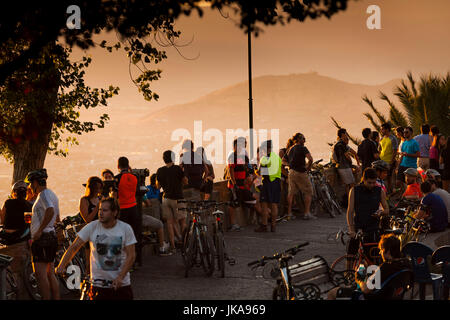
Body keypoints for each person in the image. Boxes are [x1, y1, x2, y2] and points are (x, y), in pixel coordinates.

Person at [56, 198, 136, 300]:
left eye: (105, 210)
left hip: (121, 285)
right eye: (99, 210)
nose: (101, 213)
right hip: (98, 285)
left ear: (114, 212)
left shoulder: (125, 229)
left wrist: (121, 277)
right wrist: (61, 265)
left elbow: (131, 255)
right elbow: (74, 247)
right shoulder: (92, 227)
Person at [328, 234, 411, 300]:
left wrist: (360, 277)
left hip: (371, 297)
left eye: (381, 250)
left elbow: (366, 290)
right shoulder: (406, 264)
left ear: (388, 251)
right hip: (390, 296)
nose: (380, 253)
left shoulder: (386, 267)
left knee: (332, 293)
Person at [24, 169, 60, 300]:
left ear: (35, 182)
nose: (29, 187)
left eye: (30, 184)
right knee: (50, 274)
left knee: (40, 275)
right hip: (51, 236)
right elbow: (57, 217)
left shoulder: (43, 195)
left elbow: (50, 211)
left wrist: (39, 231)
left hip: (42, 238)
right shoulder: (52, 194)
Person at [346, 168, 389, 265]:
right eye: (369, 183)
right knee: (350, 256)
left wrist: (381, 213)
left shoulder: (379, 191)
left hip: (373, 228)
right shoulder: (354, 190)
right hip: (358, 226)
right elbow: (350, 211)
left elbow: (387, 209)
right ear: (363, 179)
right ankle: (348, 276)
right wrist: (351, 229)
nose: (372, 185)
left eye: (374, 183)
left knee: (371, 259)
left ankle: (369, 278)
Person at [157, 150, 187, 252]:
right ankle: (185, 243)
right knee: (182, 221)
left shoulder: (160, 170)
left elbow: (158, 186)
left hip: (166, 199)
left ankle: (173, 246)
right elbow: (185, 181)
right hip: (178, 198)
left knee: (169, 223)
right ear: (173, 158)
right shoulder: (178, 169)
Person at [283, 132, 316, 220]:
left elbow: (283, 161)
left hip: (291, 172)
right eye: (303, 139)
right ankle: (307, 213)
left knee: (291, 193)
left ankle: (289, 213)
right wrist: (308, 168)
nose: (305, 141)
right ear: (298, 139)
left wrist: (290, 164)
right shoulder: (303, 148)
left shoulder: (290, 149)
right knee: (308, 191)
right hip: (301, 172)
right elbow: (310, 159)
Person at [115, 157, 140, 267]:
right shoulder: (134, 177)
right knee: (133, 235)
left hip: (123, 209)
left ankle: (125, 262)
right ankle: (135, 260)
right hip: (133, 208)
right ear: (128, 165)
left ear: (118, 166)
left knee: (122, 236)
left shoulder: (117, 178)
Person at [255, 140, 282, 232]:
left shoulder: (265, 158)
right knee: (274, 204)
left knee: (264, 204)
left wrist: (256, 170)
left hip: (267, 182)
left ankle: (264, 225)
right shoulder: (277, 157)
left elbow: (260, 172)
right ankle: (273, 226)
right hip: (277, 182)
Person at [226, 137, 252, 231]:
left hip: (242, 184)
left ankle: (237, 223)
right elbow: (231, 170)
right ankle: (233, 224)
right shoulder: (232, 156)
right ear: (236, 146)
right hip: (235, 185)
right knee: (233, 203)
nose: (244, 147)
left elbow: (243, 169)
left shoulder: (242, 156)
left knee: (240, 203)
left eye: (244, 145)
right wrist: (234, 183)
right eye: (242, 145)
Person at [333, 129, 360, 203]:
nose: (347, 134)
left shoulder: (340, 143)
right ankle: (351, 201)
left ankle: (350, 200)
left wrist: (355, 163)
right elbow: (347, 155)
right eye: (345, 133)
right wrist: (354, 163)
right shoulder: (341, 144)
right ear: (342, 134)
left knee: (348, 185)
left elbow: (354, 153)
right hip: (343, 167)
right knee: (351, 184)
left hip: (342, 167)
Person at [380, 123, 398, 193]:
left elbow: (395, 151)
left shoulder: (393, 138)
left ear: (387, 129)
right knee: (382, 178)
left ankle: (390, 192)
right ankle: (385, 192)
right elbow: (380, 149)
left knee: (389, 178)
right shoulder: (382, 138)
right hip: (382, 161)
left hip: (389, 161)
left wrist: (391, 161)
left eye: (382, 129)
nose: (381, 131)